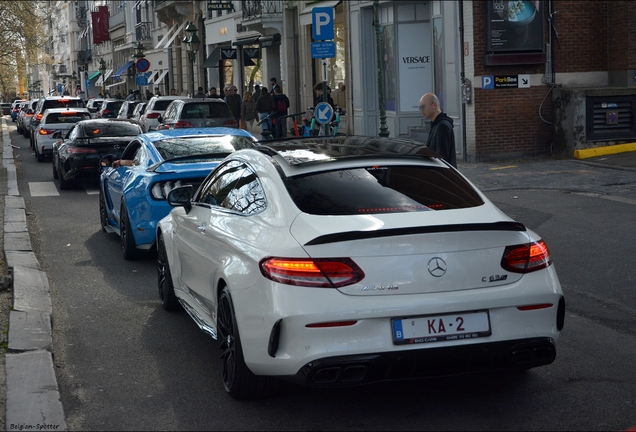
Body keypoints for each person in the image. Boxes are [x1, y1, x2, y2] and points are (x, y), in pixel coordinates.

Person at [419, 92, 457, 168]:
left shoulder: (442, 126)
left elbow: (441, 158)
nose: (421, 110)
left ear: (434, 105)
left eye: (423, 107)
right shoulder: (435, 124)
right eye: (420, 108)